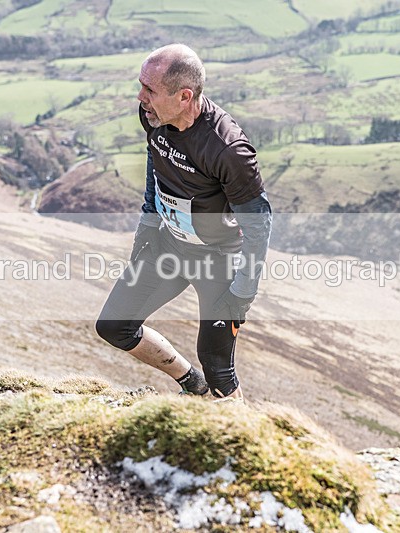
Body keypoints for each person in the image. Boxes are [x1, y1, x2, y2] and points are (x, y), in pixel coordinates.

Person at [95, 44, 272, 401]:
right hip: (169, 245)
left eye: (150, 89)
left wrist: (242, 293)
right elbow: (155, 163)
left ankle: (240, 435)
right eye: (141, 85)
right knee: (114, 326)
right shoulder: (154, 115)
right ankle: (191, 382)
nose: (140, 96)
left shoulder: (228, 150)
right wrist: (146, 228)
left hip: (217, 259)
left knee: (218, 365)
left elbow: (258, 226)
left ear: (184, 96)